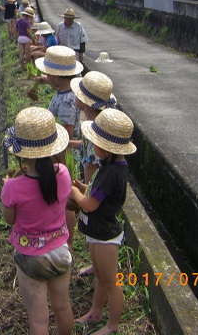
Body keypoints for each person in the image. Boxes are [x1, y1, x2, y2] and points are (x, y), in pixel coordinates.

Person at [1, 106, 74, 335]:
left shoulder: (13, 187)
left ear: (21, 154)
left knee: (39, 319)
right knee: (62, 307)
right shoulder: (62, 173)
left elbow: (9, 220)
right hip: (60, 251)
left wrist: (7, 186)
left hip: (31, 257)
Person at [69, 108, 136, 334]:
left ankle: (112, 325)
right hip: (98, 231)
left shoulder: (111, 172)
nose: (93, 146)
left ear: (107, 148)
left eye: (95, 142)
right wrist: (84, 188)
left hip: (107, 235)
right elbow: (98, 193)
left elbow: (89, 204)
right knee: (99, 277)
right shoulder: (112, 166)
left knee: (111, 282)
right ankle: (95, 313)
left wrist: (74, 193)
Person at [70, 70, 119, 277]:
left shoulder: (96, 128)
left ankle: (97, 265)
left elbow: (91, 165)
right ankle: (96, 264)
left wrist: (85, 191)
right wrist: (70, 143)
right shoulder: (95, 123)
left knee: (94, 227)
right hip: (95, 188)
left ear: (87, 103)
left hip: (95, 189)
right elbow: (86, 149)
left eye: (78, 95)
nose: (75, 97)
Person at [35, 45, 83, 251]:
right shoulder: (66, 90)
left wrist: (60, 163)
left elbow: (66, 135)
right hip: (59, 152)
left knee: (65, 198)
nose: (47, 76)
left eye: (49, 74)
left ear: (56, 77)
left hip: (64, 154)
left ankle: (69, 242)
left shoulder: (66, 101)